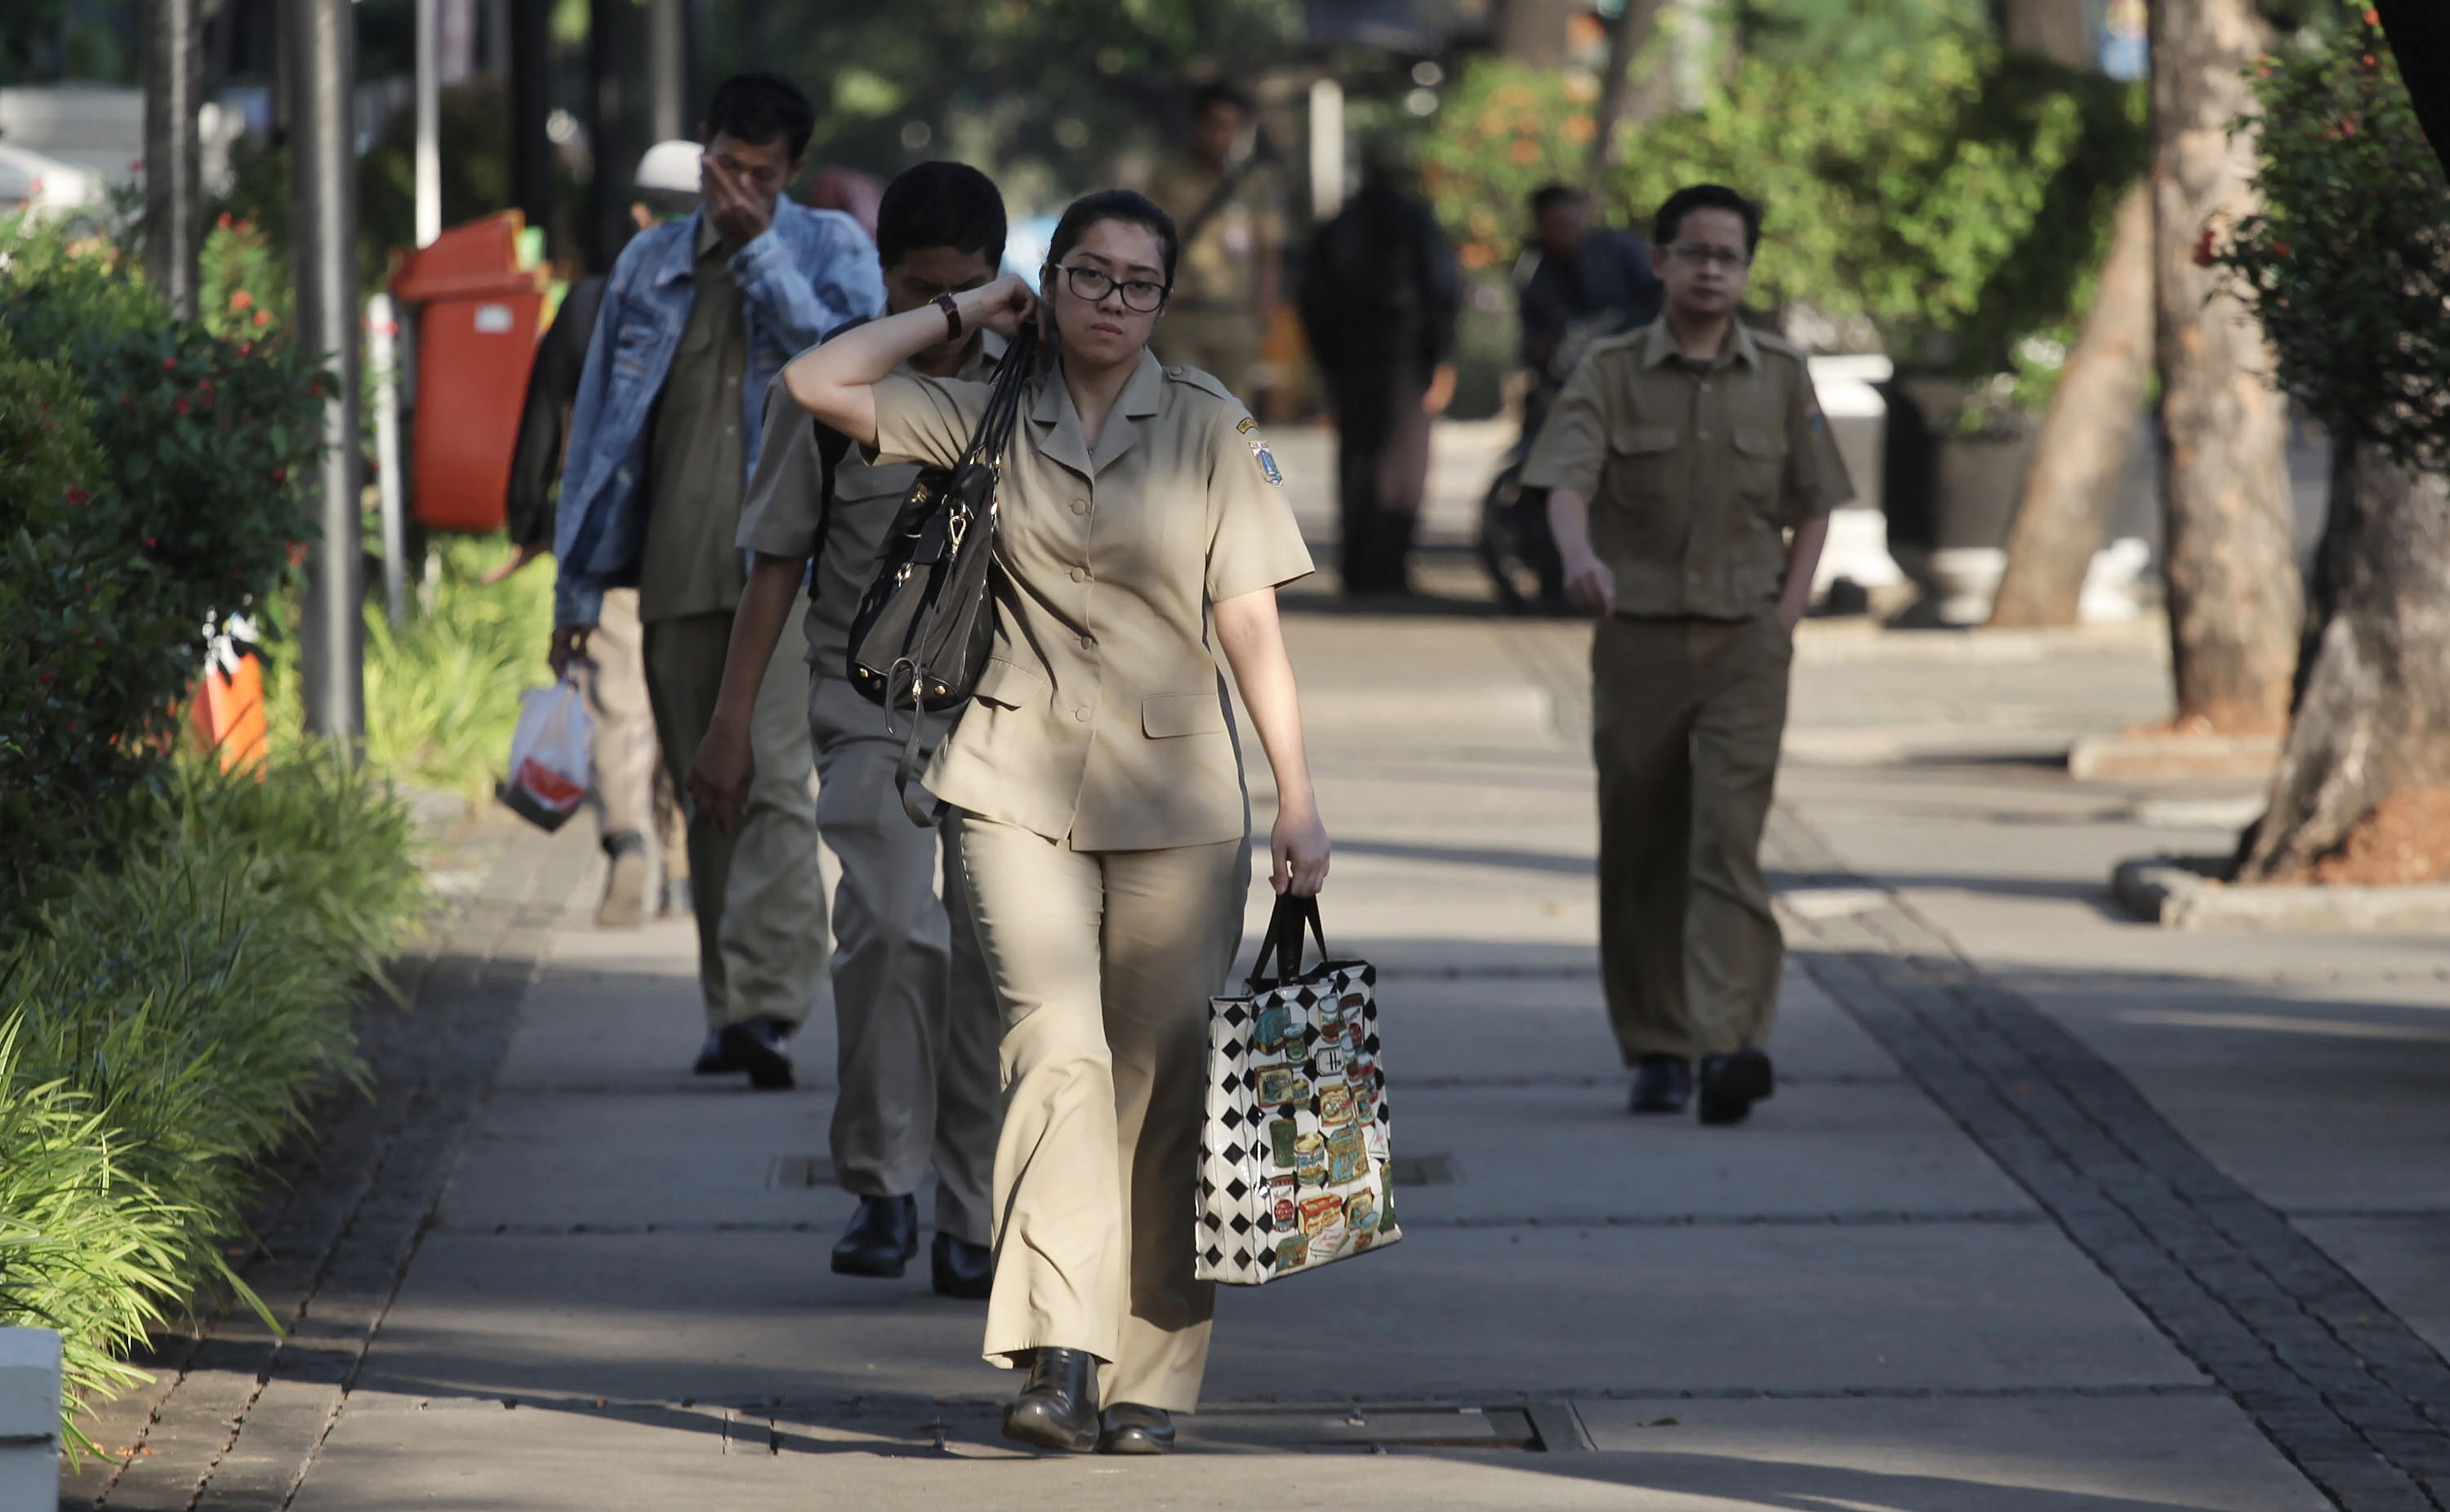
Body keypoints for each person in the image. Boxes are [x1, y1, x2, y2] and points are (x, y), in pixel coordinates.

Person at [780, 189, 1329, 1456]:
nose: (1114, 302)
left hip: (1180, 797)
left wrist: (1299, 795)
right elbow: (820, 378)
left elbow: (1252, 625)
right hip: (1008, 778)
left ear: (1164, 300)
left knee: (1165, 1079)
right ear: (1053, 280)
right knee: (1055, 1051)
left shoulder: (1206, 427)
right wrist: (966, 306)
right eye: (1090, 276)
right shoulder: (982, 405)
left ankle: (1151, 1375)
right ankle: (1060, 1356)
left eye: (1141, 283)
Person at [688, 162, 1009, 1300]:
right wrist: (731, 725)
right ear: (886, 278)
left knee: (989, 957)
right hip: (870, 708)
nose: (944, 320)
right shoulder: (835, 391)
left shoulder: (1045, 386)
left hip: (1005, 718)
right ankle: (884, 1183)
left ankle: (972, 1213)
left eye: (966, 291)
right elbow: (775, 564)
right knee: (889, 929)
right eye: (924, 293)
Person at [551, 72, 885, 1088]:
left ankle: (771, 1006)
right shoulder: (650, 261)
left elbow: (844, 370)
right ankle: (728, 1005)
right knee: (708, 786)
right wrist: (574, 593)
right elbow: (602, 437)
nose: (737, 188)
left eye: (761, 174)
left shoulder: (830, 250)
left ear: (790, 174)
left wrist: (762, 250)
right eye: (724, 169)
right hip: (671, 565)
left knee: (775, 773)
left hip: (788, 568)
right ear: (701, 153)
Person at [1523, 184, 1849, 1126]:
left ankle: (1730, 1043)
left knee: (1727, 842)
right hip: (1639, 643)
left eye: (1729, 255)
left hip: (1748, 642)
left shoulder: (1783, 375)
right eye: (1694, 252)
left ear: (1747, 269)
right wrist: (1580, 557)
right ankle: (1659, 1046)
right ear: (1659, 262)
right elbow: (1566, 479)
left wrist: (1786, 615)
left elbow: (1817, 500)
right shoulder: (1611, 370)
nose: (1712, 268)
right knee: (1644, 843)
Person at [499, 140, 702, 927]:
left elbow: (543, 428)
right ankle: (683, 863)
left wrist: (527, 522)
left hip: (613, 543)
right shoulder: (726, 304)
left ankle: (625, 842)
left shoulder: (589, 303)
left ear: (641, 213)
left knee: (620, 701)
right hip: (702, 545)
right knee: (688, 697)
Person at [1297, 135, 1459, 597]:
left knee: (1357, 458)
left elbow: (1313, 299)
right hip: (1407, 353)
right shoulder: (1418, 223)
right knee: (1404, 462)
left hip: (1349, 354)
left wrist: (1326, 360)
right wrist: (1443, 357)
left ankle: (1357, 565)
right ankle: (1389, 565)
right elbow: (1443, 291)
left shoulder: (1337, 226)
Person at [1491, 185, 1665, 612]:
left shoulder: (1620, 253)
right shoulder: (1533, 268)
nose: (1563, 232)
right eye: (1553, 225)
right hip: (1561, 392)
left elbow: (1654, 308)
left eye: (1569, 221)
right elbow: (1530, 337)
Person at [1146, 80, 1282, 404]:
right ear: (1197, 126)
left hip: (1236, 320)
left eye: (1234, 127)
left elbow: (1269, 251)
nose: (1224, 137)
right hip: (1180, 317)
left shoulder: (1257, 183)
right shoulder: (1167, 177)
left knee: (1233, 424)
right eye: (1216, 126)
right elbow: (1148, 245)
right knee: (1180, 415)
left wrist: (1265, 314)